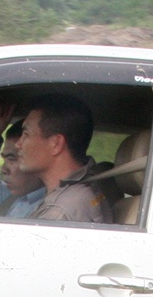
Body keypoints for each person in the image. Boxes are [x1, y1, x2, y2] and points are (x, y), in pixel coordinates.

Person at [17, 94, 111, 224]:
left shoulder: (57, 213)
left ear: (56, 144)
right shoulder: (83, 191)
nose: (18, 144)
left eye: (26, 134)